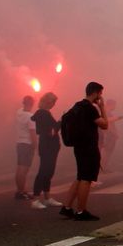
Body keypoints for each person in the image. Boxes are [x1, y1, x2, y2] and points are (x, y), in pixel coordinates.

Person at [60, 82, 109, 221]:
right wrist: (102, 107)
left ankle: (67, 207)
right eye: (100, 94)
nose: (100, 97)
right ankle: (81, 211)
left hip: (78, 146)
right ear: (95, 93)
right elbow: (105, 125)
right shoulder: (90, 108)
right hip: (89, 147)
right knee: (86, 179)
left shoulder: (77, 106)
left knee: (80, 176)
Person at [29, 92, 62, 208]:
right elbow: (52, 131)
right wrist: (60, 122)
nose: (54, 104)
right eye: (53, 102)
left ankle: (47, 197)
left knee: (48, 171)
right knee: (44, 171)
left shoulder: (43, 113)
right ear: (48, 102)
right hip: (48, 145)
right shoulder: (43, 114)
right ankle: (36, 199)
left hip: (48, 145)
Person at [14, 95, 36, 200]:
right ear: (32, 104)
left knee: (19, 168)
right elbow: (33, 134)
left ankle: (20, 190)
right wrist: (35, 146)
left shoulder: (19, 112)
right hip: (27, 144)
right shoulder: (30, 117)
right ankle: (21, 192)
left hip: (19, 143)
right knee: (24, 169)